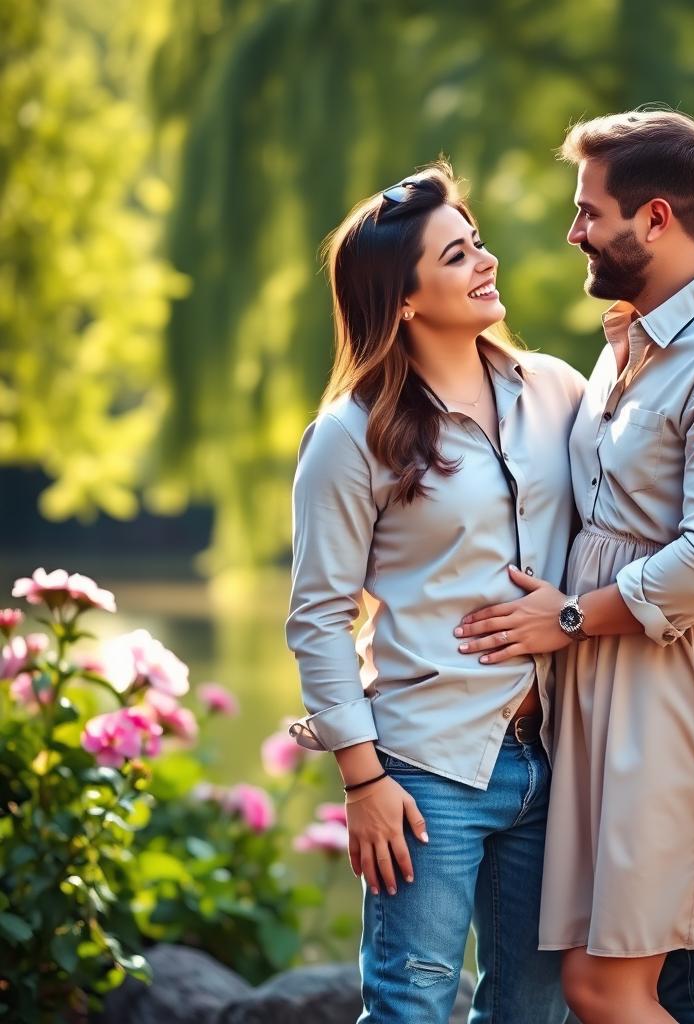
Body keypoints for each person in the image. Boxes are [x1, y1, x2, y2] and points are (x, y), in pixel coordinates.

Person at [454, 110, 694, 1022]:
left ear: (658, 218)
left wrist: (567, 618)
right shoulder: (634, 338)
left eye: (590, 211)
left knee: (604, 985)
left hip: (679, 691)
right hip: (612, 681)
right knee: (683, 973)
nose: (573, 230)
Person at [284, 161, 584, 1024]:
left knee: (535, 1011)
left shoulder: (557, 390)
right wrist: (362, 779)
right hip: (426, 769)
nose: (486, 262)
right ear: (405, 300)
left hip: (557, 754)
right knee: (409, 1007)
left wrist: (569, 617)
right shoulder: (350, 436)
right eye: (457, 256)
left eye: (477, 242)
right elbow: (318, 618)